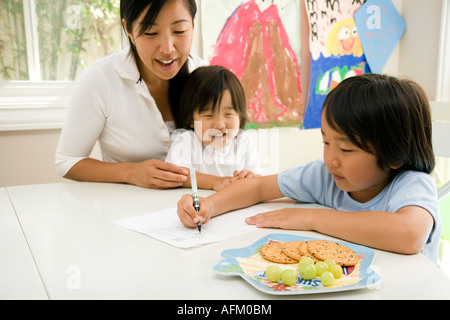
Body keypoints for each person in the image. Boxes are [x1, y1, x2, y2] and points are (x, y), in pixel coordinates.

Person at [176, 73, 443, 263]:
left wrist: (311, 218)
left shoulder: (412, 183)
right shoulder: (327, 176)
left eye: (347, 149)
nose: (331, 159)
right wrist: (209, 205)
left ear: (394, 155)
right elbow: (257, 186)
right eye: (326, 141)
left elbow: (409, 235)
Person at [55, 0, 207, 189]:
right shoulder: (100, 79)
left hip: (199, 208)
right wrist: (132, 173)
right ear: (128, 30)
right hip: (125, 211)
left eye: (179, 31)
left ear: (193, 24)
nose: (167, 48)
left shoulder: (204, 75)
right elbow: (67, 161)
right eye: (151, 33)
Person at [165, 65, 263, 190]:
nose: (219, 125)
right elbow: (176, 175)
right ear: (190, 119)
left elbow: (259, 182)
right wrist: (215, 182)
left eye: (228, 114)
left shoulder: (244, 144)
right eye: (209, 115)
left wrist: (251, 178)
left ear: (240, 115)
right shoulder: (186, 140)